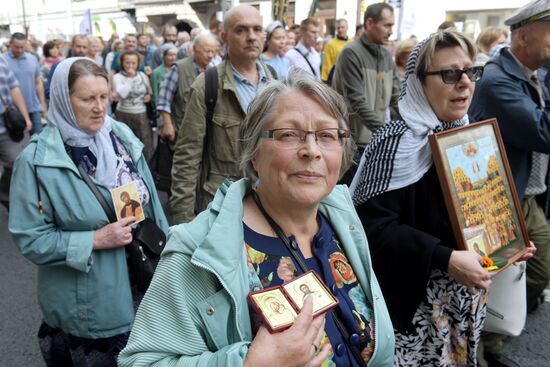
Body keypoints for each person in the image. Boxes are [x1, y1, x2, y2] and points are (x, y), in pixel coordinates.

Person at [118, 74, 395, 367]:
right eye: (289, 134)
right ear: (253, 152)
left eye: (327, 136)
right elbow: (141, 361)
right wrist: (249, 364)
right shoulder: (199, 251)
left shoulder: (344, 220)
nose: (311, 150)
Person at [351, 29, 536, 366]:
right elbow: (369, 229)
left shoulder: (469, 133)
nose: (465, 83)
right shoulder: (394, 143)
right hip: (416, 306)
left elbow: (481, 206)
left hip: (465, 300)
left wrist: (508, 240)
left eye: (471, 71)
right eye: (450, 74)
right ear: (419, 82)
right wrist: (444, 257)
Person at [8, 57, 168, 366]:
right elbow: (30, 238)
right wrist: (94, 239)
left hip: (143, 281)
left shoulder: (119, 137)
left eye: (104, 97)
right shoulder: (37, 161)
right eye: (87, 99)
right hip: (91, 305)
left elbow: (153, 208)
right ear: (63, 101)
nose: (99, 107)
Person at [469, 1, 550, 365]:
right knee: (494, 277)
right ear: (522, 35)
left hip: (526, 194)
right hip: (501, 197)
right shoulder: (498, 81)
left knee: (535, 271)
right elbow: (544, 131)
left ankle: (497, 334)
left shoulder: (531, 74)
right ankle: (484, 347)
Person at [169, 5, 276, 224]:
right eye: (241, 30)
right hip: (222, 207)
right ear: (225, 37)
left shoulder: (275, 81)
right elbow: (187, 159)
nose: (251, 37)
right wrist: (184, 224)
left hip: (269, 205)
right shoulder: (208, 85)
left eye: (257, 29)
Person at [332, 2, 400, 183]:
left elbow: (396, 96)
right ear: (369, 23)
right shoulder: (351, 53)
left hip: (376, 141)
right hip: (352, 144)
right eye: (387, 25)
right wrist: (385, 132)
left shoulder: (386, 56)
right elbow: (356, 101)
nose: (391, 31)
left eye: (392, 25)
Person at [157, 32, 218, 144]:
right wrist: (167, 124)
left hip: (204, 132)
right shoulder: (179, 68)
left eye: (213, 52)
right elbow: (163, 100)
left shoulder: (213, 71)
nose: (210, 55)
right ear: (195, 49)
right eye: (207, 51)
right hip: (181, 132)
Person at [0, 57, 32, 209]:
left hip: (5, 126)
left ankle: (5, 195)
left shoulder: (1, 60)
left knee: (16, 162)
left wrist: (25, 117)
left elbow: (14, 88)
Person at [112, 50, 154, 160]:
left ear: (138, 64)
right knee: (124, 143)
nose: (130, 66)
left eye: (133, 63)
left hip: (141, 114)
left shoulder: (142, 76)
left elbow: (149, 92)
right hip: (123, 114)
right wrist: (130, 79)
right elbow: (122, 94)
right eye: (127, 63)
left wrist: (148, 96)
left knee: (145, 143)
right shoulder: (117, 77)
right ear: (122, 63)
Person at [3, 32, 47, 135]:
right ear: (10, 44)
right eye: (16, 47)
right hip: (13, 112)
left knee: (38, 141)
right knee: (21, 145)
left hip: (34, 107)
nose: (19, 50)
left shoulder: (32, 58)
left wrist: (43, 104)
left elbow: (38, 82)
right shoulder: (3, 60)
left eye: (22, 47)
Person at [45, 35, 89, 100]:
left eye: (84, 47)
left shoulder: (91, 66)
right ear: (71, 46)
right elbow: (48, 91)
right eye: (78, 46)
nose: (81, 50)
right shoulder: (59, 66)